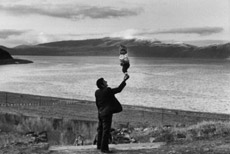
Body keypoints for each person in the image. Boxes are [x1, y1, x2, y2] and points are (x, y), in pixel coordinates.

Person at [95, 74, 129, 153]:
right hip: (106, 113)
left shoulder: (97, 92)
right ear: (102, 84)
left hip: (100, 113)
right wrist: (124, 80)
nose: (106, 81)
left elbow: (97, 103)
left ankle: (99, 145)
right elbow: (119, 89)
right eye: (104, 81)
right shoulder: (107, 90)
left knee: (100, 130)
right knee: (106, 131)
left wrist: (100, 111)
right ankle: (104, 149)